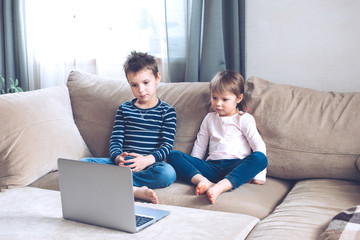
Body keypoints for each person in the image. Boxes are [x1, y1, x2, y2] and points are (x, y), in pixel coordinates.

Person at [82, 51, 177, 204]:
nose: (141, 90)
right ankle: (134, 190)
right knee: (83, 164)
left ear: (157, 78)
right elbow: (115, 140)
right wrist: (118, 157)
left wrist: (146, 160)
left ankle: (118, 183)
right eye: (134, 85)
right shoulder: (124, 109)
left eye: (146, 83)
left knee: (168, 173)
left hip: (150, 165)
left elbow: (167, 146)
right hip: (123, 164)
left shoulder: (167, 111)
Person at [167, 70, 267, 204]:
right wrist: (194, 165)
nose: (218, 103)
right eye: (214, 98)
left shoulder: (244, 119)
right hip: (211, 167)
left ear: (239, 98)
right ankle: (204, 182)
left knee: (260, 158)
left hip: (234, 167)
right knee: (173, 155)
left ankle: (220, 187)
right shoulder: (209, 118)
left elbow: (258, 145)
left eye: (224, 99)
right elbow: (200, 144)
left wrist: (260, 176)